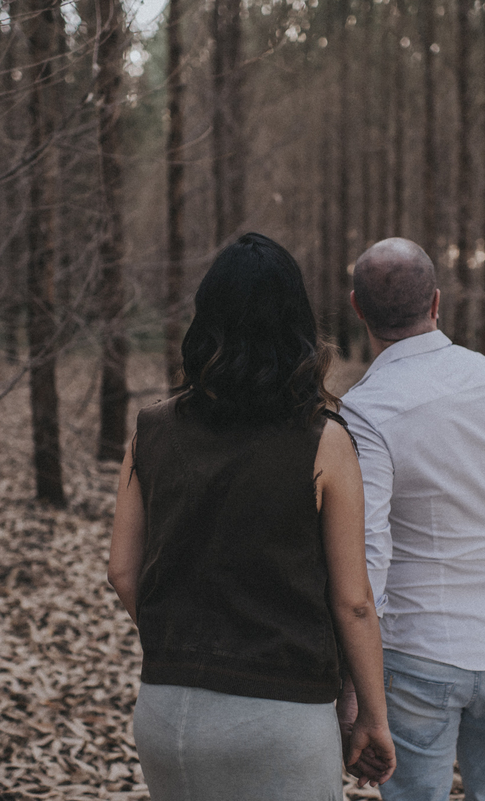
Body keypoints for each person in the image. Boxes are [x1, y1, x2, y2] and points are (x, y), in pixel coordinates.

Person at [108, 232, 396, 800]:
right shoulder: (324, 440)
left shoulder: (152, 427)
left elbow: (121, 570)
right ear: (297, 328)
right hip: (280, 718)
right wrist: (373, 718)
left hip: (166, 715)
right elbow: (354, 600)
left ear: (205, 321)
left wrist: (183, 642)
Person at [339, 238, 485, 801]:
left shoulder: (365, 408)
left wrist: (354, 680)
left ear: (357, 308)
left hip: (416, 651)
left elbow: (369, 552)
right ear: (437, 302)